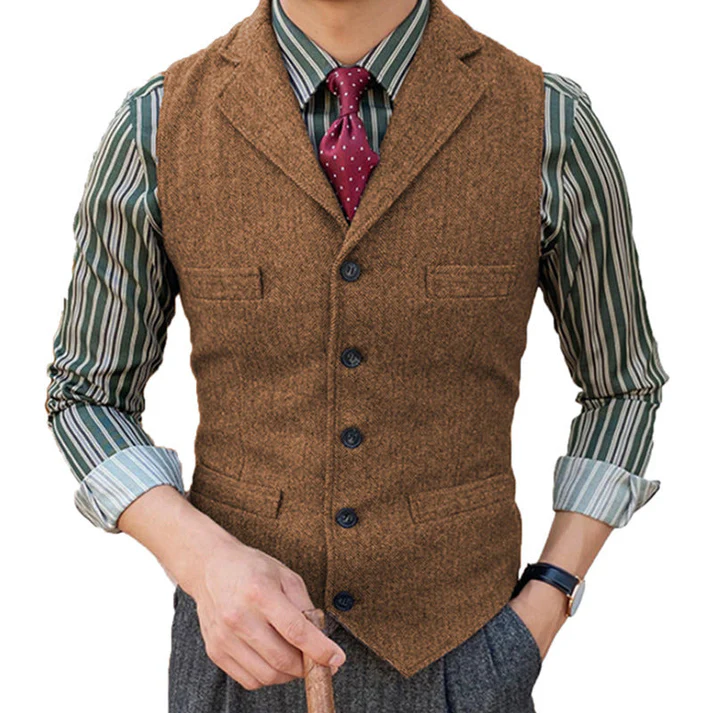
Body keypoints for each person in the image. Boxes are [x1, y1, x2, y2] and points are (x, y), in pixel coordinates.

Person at [45, 0, 669, 711]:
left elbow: (623, 387)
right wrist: (202, 560)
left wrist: (549, 597)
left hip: (466, 655)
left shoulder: (549, 121)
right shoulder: (157, 124)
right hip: (237, 660)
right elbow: (86, 395)